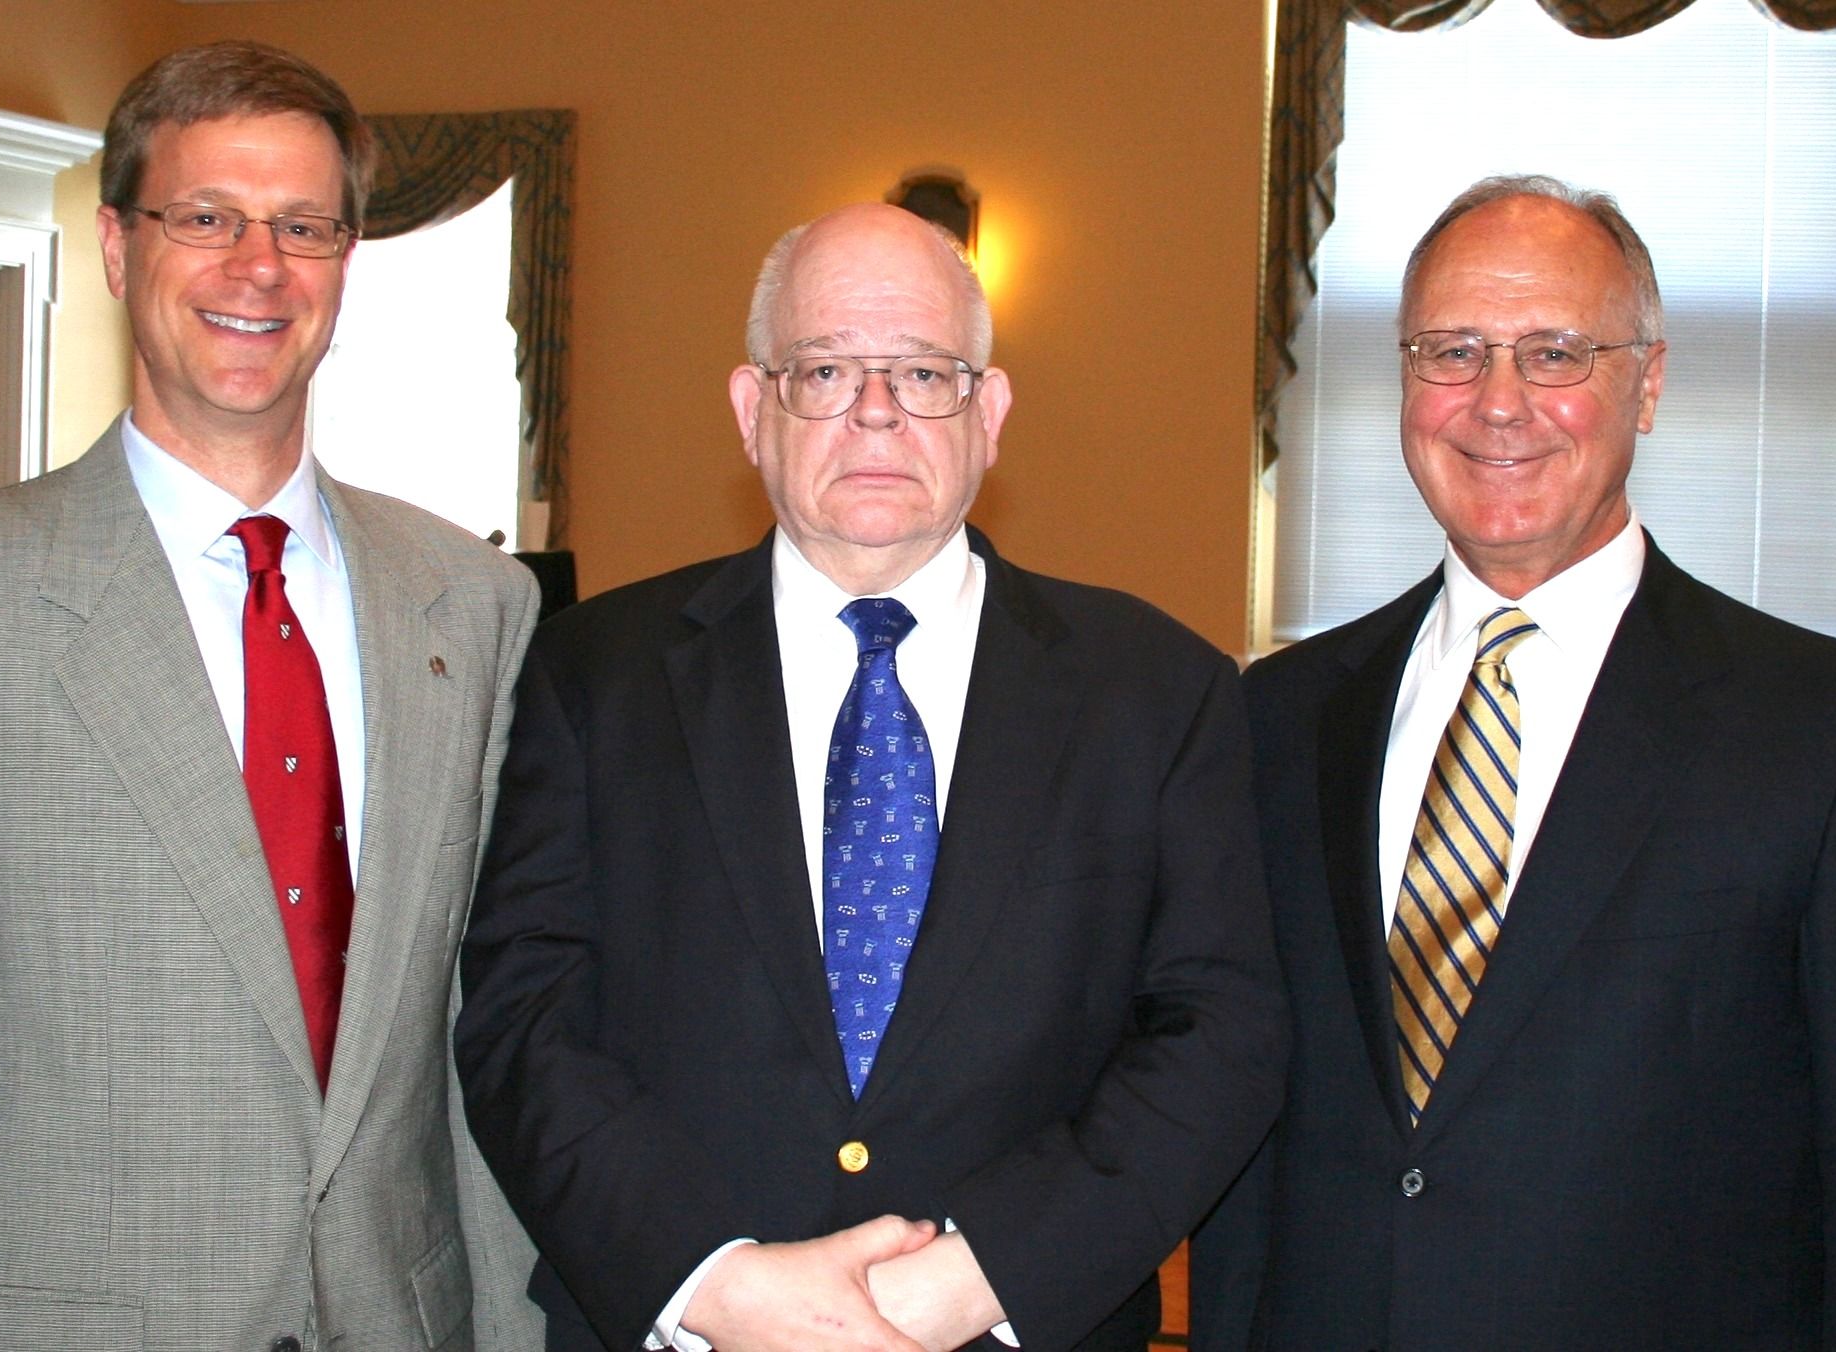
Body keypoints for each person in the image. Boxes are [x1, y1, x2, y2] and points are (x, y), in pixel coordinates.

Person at [455, 202, 1286, 1352]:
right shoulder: (595, 672)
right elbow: (521, 1017)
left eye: (925, 372)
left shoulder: (1159, 691)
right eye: (827, 368)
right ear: (754, 411)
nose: (878, 411)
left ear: (989, 412)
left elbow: (1222, 1030)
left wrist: (980, 1273)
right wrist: (715, 1283)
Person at [0, 41, 543, 1351]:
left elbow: (469, 1039)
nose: (255, 266)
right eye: (205, 217)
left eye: (303, 226)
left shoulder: (474, 605)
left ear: (343, 261)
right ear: (114, 248)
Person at [1190, 175, 1836, 1350]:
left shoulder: (1832, 728)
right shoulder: (1278, 719)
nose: (1497, 402)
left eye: (1556, 352)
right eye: (1452, 351)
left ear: (1650, 382)